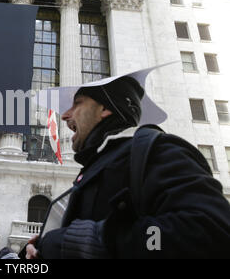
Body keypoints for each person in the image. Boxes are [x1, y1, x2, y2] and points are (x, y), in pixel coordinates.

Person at [25, 68, 230, 259]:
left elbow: (209, 231)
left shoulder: (158, 150)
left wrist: (95, 240)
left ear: (104, 108)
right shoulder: (94, 167)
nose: (65, 115)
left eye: (77, 103)